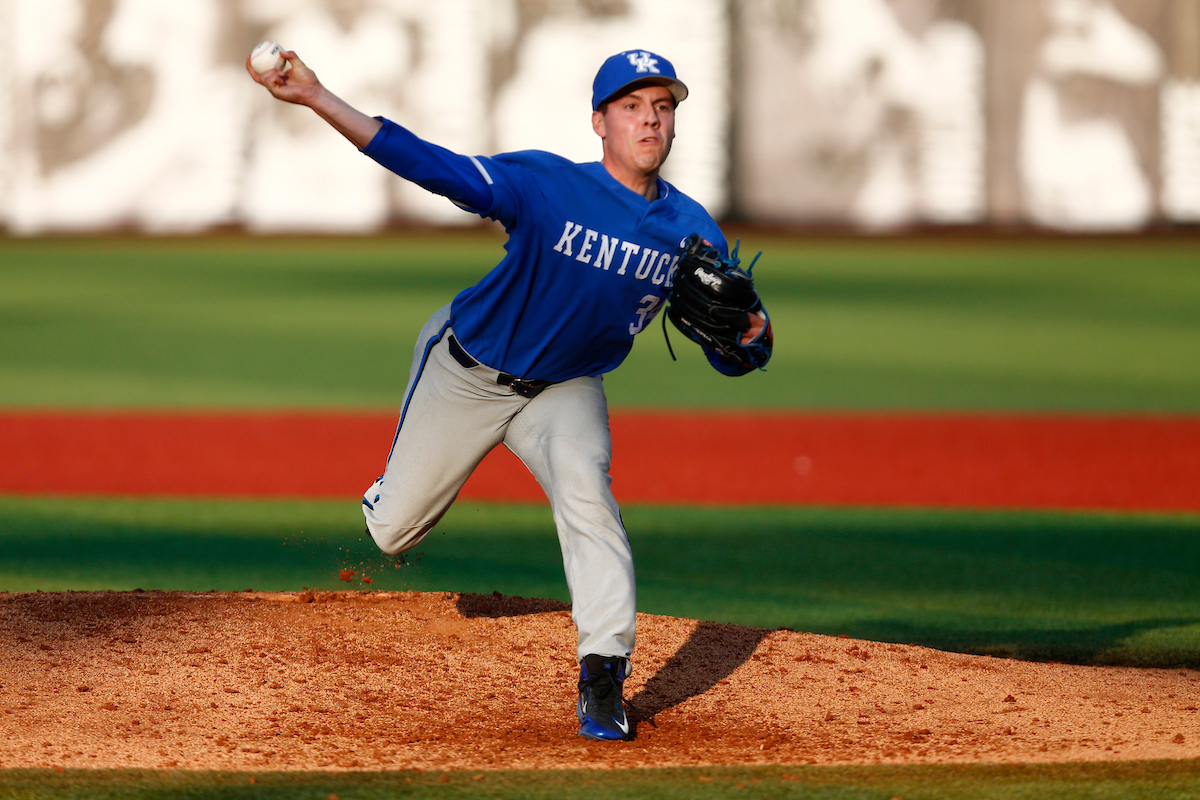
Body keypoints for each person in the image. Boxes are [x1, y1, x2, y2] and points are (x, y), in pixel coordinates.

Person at [247, 46, 766, 741]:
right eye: (632, 107)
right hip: (468, 368)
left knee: (589, 494)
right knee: (392, 532)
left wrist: (751, 333)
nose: (650, 122)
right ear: (599, 122)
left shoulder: (692, 232)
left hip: (566, 386)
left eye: (663, 108)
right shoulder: (547, 185)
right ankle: (393, 483)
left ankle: (603, 675)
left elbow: (736, 353)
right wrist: (318, 97)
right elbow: (434, 167)